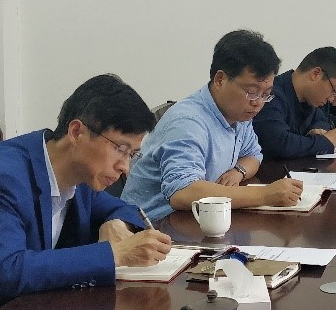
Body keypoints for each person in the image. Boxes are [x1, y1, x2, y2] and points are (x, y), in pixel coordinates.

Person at [0, 75, 173, 307]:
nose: (125, 167)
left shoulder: (81, 176)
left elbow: (125, 209)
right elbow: (7, 271)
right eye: (120, 149)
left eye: (132, 154)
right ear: (76, 132)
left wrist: (115, 223)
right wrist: (115, 254)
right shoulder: (2, 177)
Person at [121, 30, 304, 220]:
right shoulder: (188, 122)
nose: (258, 102)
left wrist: (239, 171)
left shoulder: (238, 114)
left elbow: (253, 155)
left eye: (265, 94)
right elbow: (182, 192)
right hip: (151, 225)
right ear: (220, 79)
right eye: (252, 91)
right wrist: (265, 195)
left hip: (199, 218)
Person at [253, 47, 336, 160]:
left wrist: (317, 130)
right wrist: (324, 141)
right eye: (334, 90)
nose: (331, 99)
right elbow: (279, 144)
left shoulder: (310, 99)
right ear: (316, 74)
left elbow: (323, 120)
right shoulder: (271, 95)